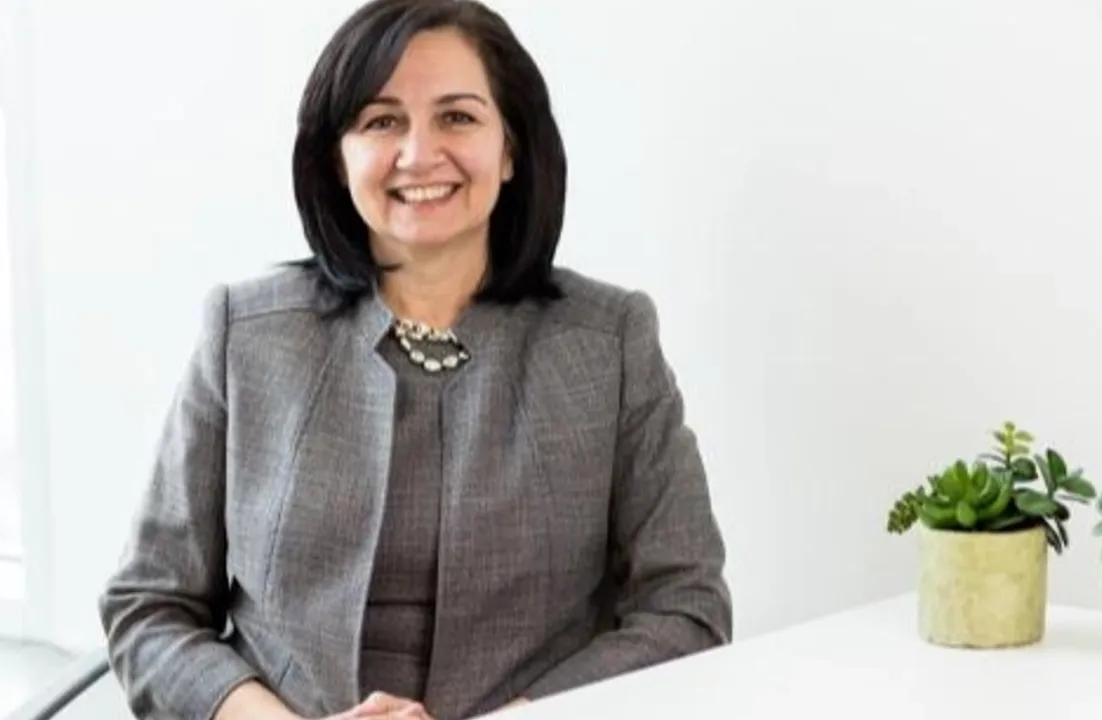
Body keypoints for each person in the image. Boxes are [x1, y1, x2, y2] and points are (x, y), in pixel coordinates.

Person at [95, 1, 733, 718]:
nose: (419, 153)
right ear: (337, 157)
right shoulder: (243, 334)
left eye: (457, 117)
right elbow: (149, 607)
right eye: (381, 121)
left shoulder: (611, 341)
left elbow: (688, 608)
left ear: (511, 148)